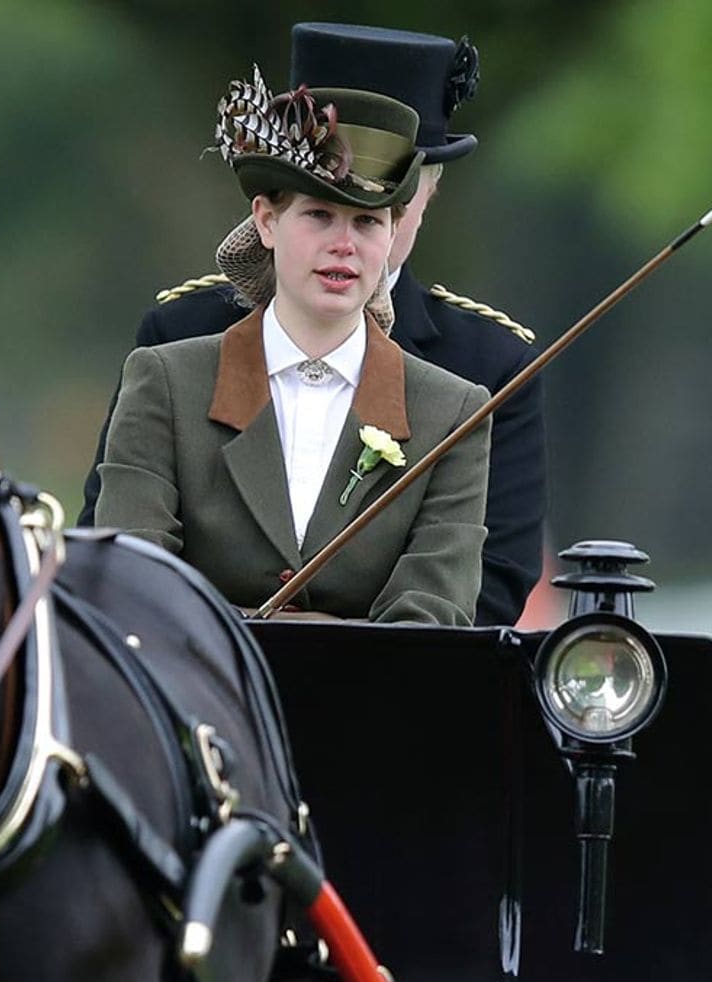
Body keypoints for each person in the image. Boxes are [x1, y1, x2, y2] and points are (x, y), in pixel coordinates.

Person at [79, 23, 545, 628]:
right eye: (319, 213)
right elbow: (124, 569)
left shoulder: (461, 399)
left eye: (369, 220)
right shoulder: (171, 363)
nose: (343, 246)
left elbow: (452, 610)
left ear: (417, 201)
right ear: (267, 221)